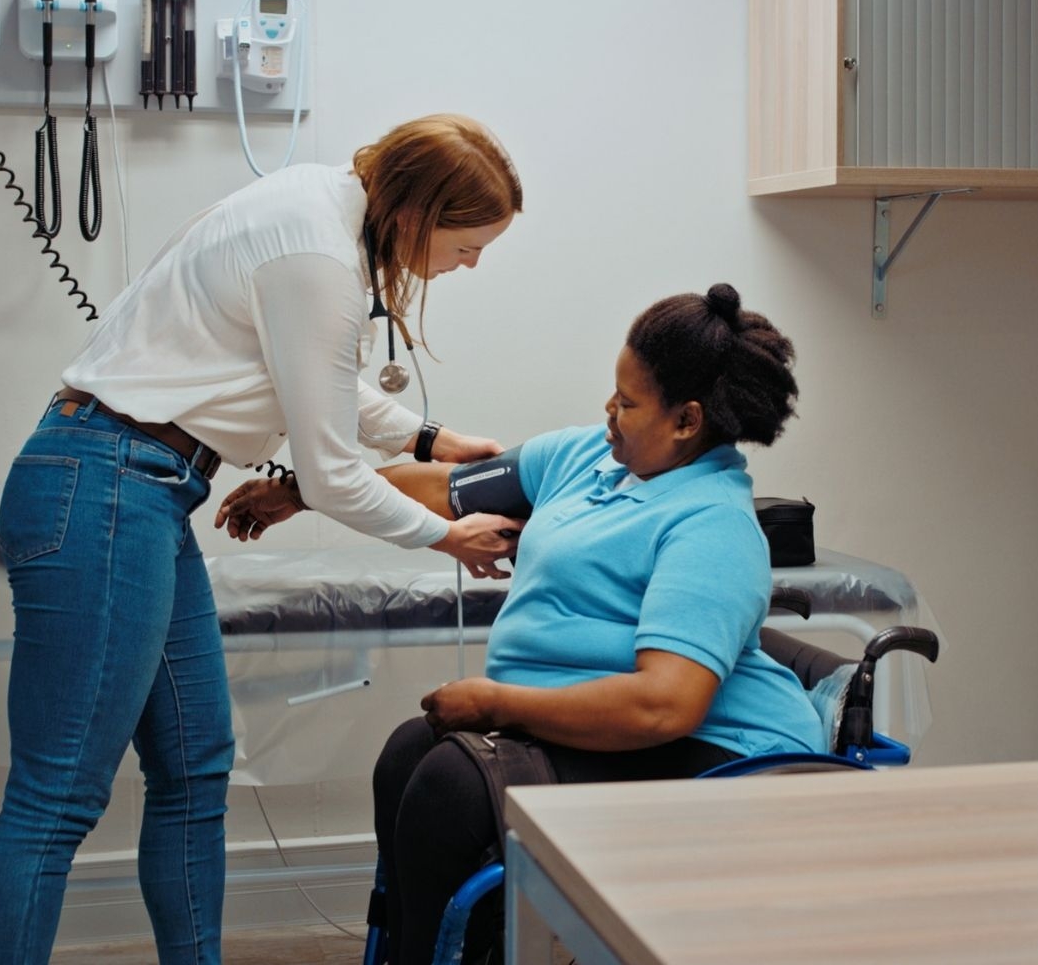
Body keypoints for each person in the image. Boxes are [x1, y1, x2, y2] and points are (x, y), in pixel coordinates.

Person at [0, 115, 527, 965]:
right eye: (468, 244)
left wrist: (431, 440)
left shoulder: (315, 207)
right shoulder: (319, 259)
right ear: (416, 213)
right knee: (58, 796)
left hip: (138, 491)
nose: (471, 264)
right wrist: (448, 535)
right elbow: (333, 474)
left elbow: (312, 374)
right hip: (105, 488)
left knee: (195, 770)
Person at [216, 283, 820, 965]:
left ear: (686, 421)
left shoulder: (712, 523)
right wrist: (304, 491)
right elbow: (441, 488)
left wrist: (499, 703)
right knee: (410, 752)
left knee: (452, 783)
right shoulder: (588, 458)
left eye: (627, 404)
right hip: (615, 727)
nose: (608, 412)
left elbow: (665, 706)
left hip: (720, 757)